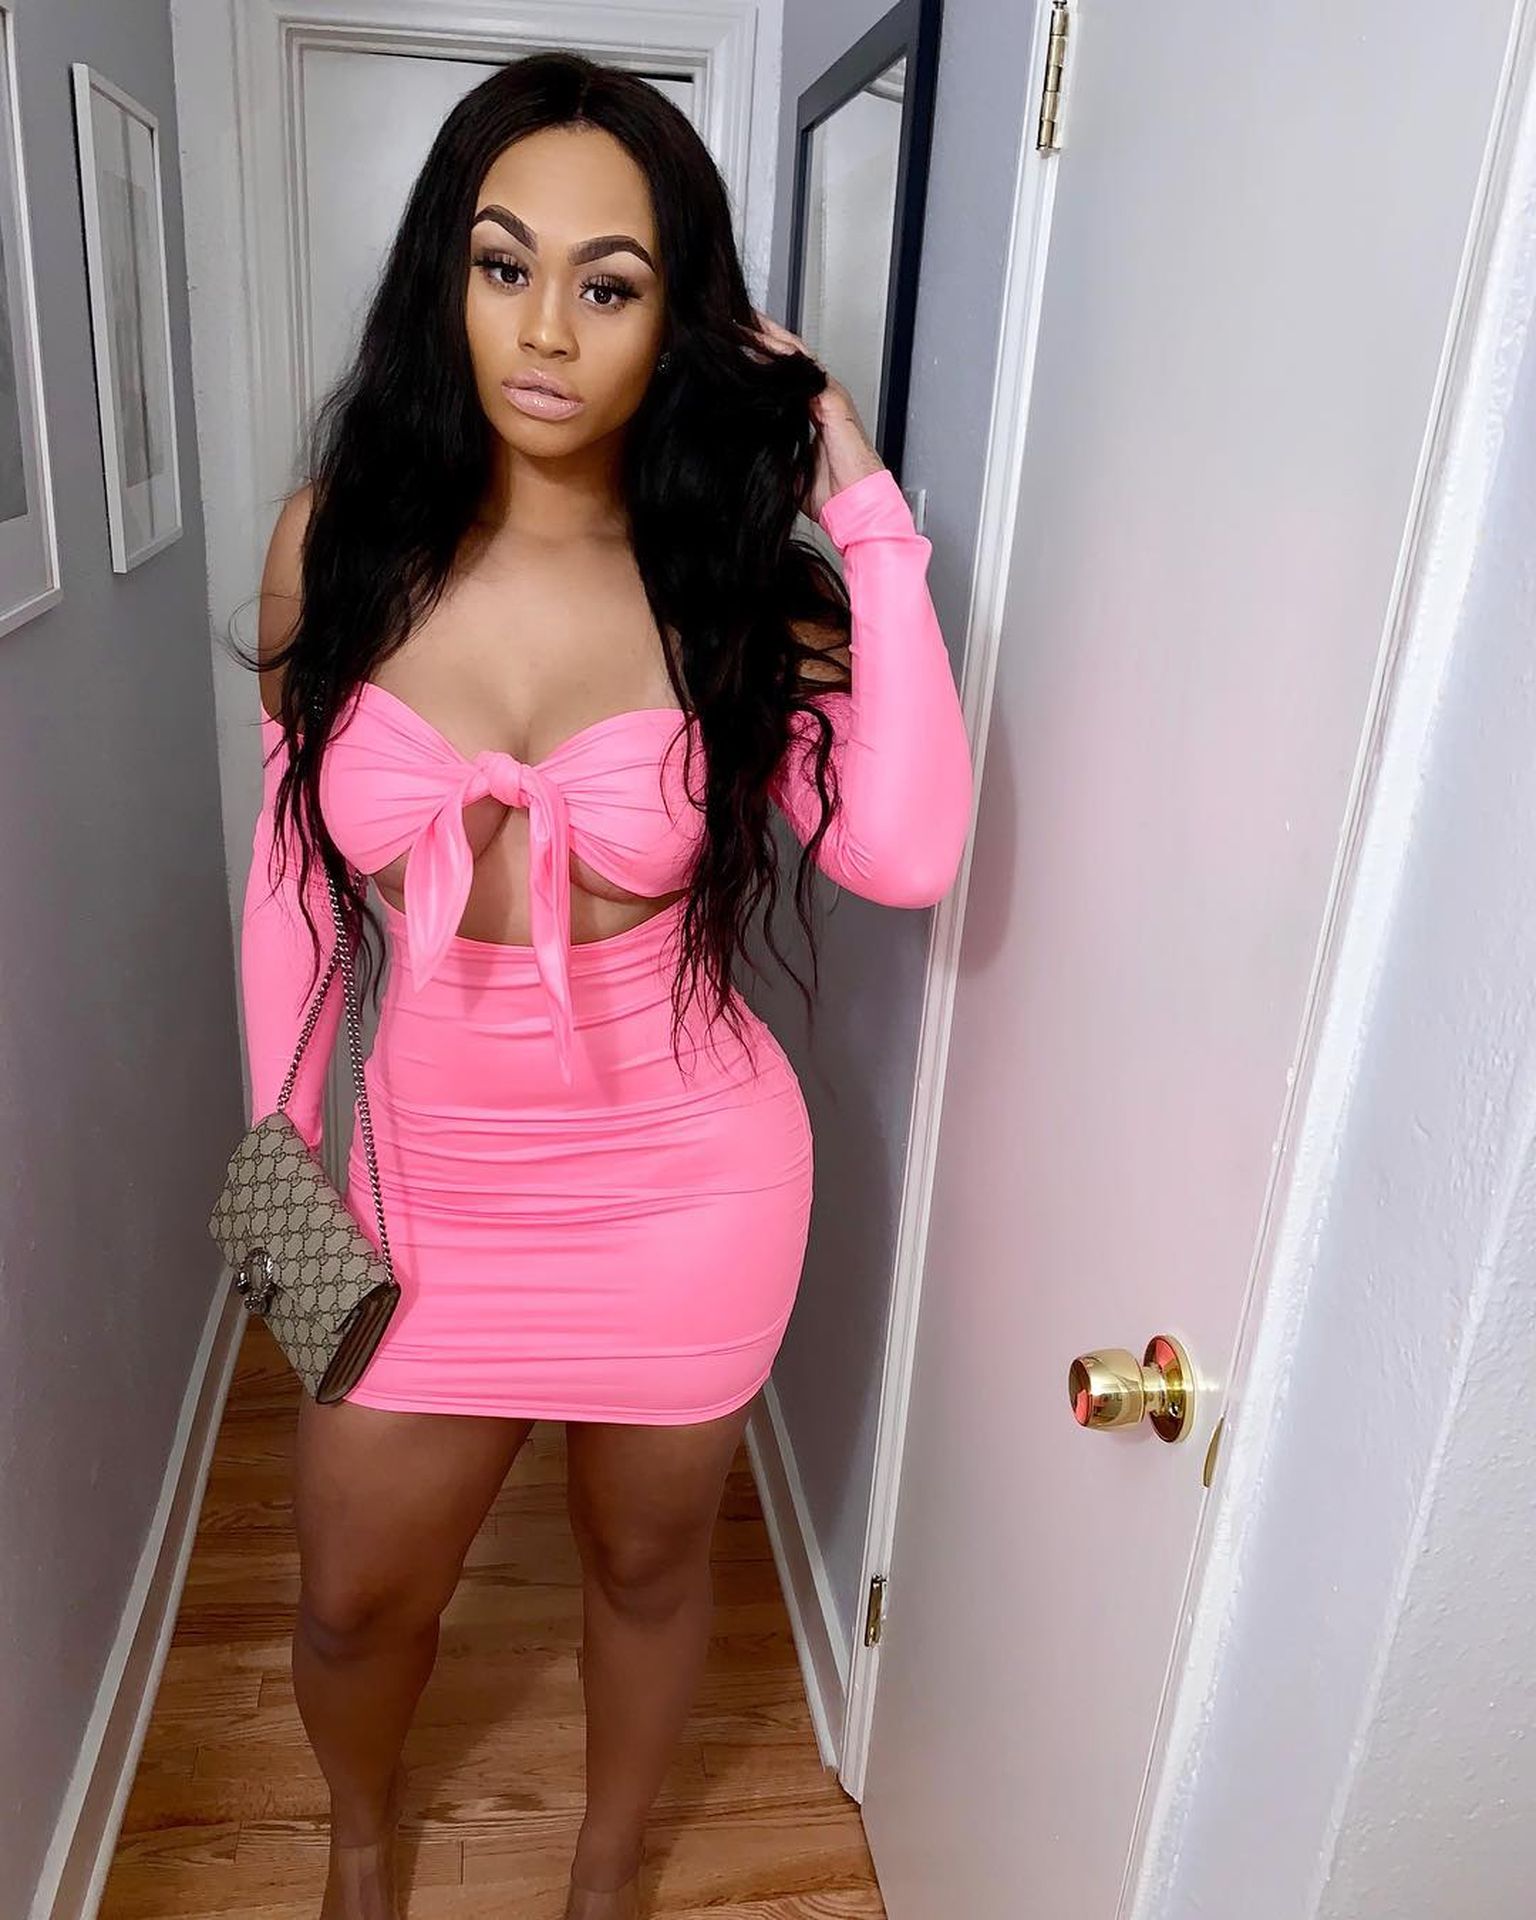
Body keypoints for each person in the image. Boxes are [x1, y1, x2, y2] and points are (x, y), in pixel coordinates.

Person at [235, 48, 972, 1920]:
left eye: (611, 282)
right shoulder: (337, 544)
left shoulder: (733, 592)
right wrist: (284, 1169)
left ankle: (607, 1872)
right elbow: (294, 886)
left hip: (685, 1187)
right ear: (446, 277)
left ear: (682, 319)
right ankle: (359, 1847)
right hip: (418, 1188)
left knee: (647, 1570)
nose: (547, 328)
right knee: (349, 1599)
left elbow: (905, 852)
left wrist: (861, 501)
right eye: (504, 265)